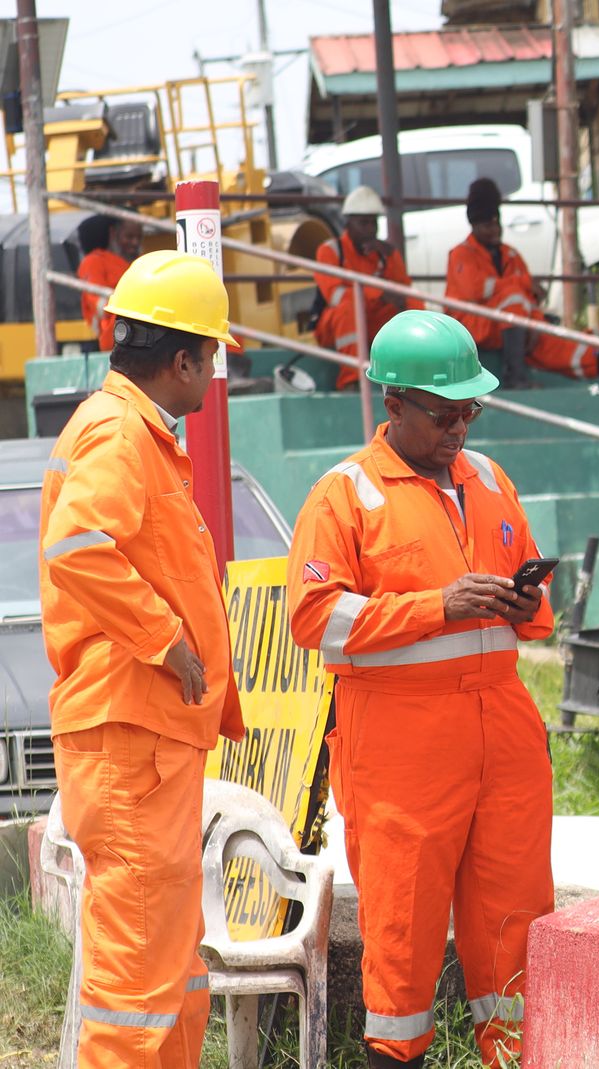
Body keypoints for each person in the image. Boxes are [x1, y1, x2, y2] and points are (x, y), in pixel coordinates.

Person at [287, 309, 555, 1068]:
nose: (459, 426)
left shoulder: (492, 480)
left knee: (517, 927)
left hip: (500, 735)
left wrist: (525, 602)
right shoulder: (344, 496)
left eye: (470, 409)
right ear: (392, 404)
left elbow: (528, 610)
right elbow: (312, 617)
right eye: (443, 412)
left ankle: (515, 1053)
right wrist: (439, 606)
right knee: (401, 940)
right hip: (400, 756)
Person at [38, 249, 244, 1068]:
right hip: (130, 740)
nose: (214, 372)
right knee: (135, 987)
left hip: (146, 740)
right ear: (183, 358)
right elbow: (77, 548)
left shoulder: (132, 433)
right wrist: (164, 638)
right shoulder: (121, 433)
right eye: (214, 355)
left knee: (169, 969)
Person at [445, 177, 596, 388]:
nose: (495, 229)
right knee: (514, 298)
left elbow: (527, 301)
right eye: (488, 225)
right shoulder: (461, 254)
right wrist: (523, 283)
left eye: (497, 222)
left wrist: (533, 323)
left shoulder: (511, 255)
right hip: (472, 328)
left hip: (511, 328)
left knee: (571, 349)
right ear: (474, 225)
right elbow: (476, 289)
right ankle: (514, 377)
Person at [313, 184, 423, 390]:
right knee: (348, 307)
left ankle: (421, 369)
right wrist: (379, 294)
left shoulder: (382, 252)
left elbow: (403, 290)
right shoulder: (330, 251)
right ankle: (351, 380)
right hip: (335, 326)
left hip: (371, 322)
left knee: (414, 301)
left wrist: (392, 257)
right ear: (348, 223)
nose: (370, 229)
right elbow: (336, 296)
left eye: (373, 223)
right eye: (363, 223)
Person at [76, 214, 143, 351]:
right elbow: (99, 304)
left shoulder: (140, 261)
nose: (135, 242)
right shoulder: (94, 261)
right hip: (114, 338)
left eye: (139, 237)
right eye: (129, 237)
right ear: (113, 233)